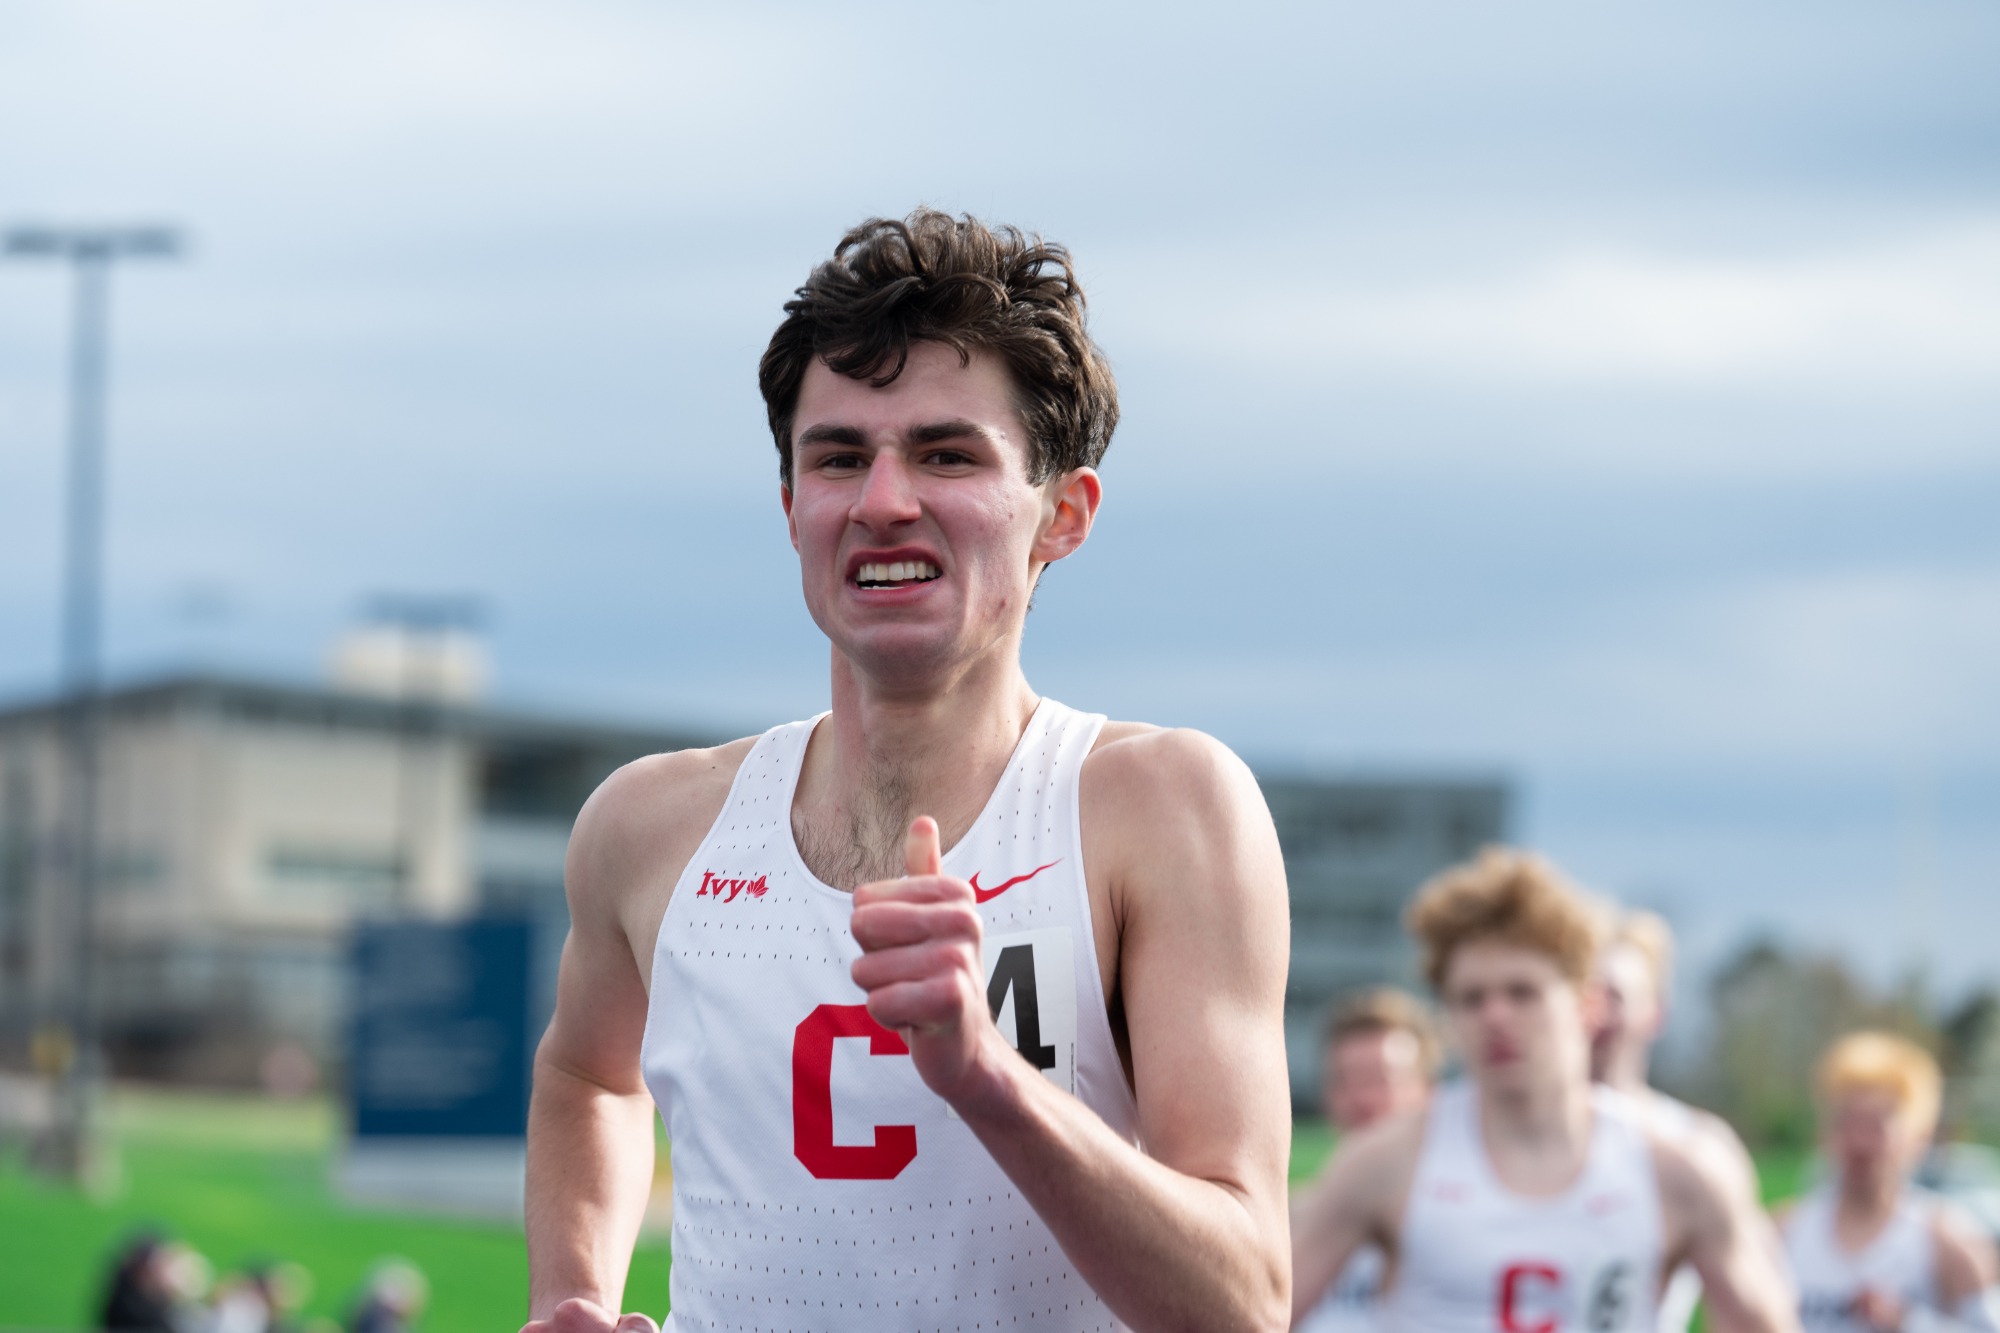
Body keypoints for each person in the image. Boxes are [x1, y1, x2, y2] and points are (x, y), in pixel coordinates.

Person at [522, 209, 1294, 1333]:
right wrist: (577, 1292)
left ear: (1062, 515)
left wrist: (984, 1073)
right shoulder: (651, 823)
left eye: (946, 453)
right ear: (791, 508)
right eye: (837, 457)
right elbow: (589, 1077)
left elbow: (1243, 1301)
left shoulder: (1159, 806)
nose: (882, 500)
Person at [1289, 847, 1799, 1333]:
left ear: (1587, 1004)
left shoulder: (1680, 1167)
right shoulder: (1384, 1161)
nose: (1496, 1017)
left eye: (1522, 992)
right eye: (1471, 998)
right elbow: (1260, 1312)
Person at [1592, 910, 1770, 1331]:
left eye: (1614, 997)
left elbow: (1744, 1306)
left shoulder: (1698, 1145)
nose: (1598, 1013)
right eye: (1587, 994)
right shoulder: (1509, 1136)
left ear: (1655, 1012)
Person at [1778, 1031, 2000, 1332]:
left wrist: (1910, 1323)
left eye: (1876, 1125)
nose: (1859, 1143)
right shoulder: (1781, 1234)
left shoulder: (1948, 1242)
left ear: (1917, 1136)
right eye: (1846, 1121)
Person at [1295, 987, 1440, 1333]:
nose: (1360, 1098)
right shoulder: (1288, 1222)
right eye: (1344, 1080)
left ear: (1427, 1089)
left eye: (1380, 1080)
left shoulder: (1458, 1225)